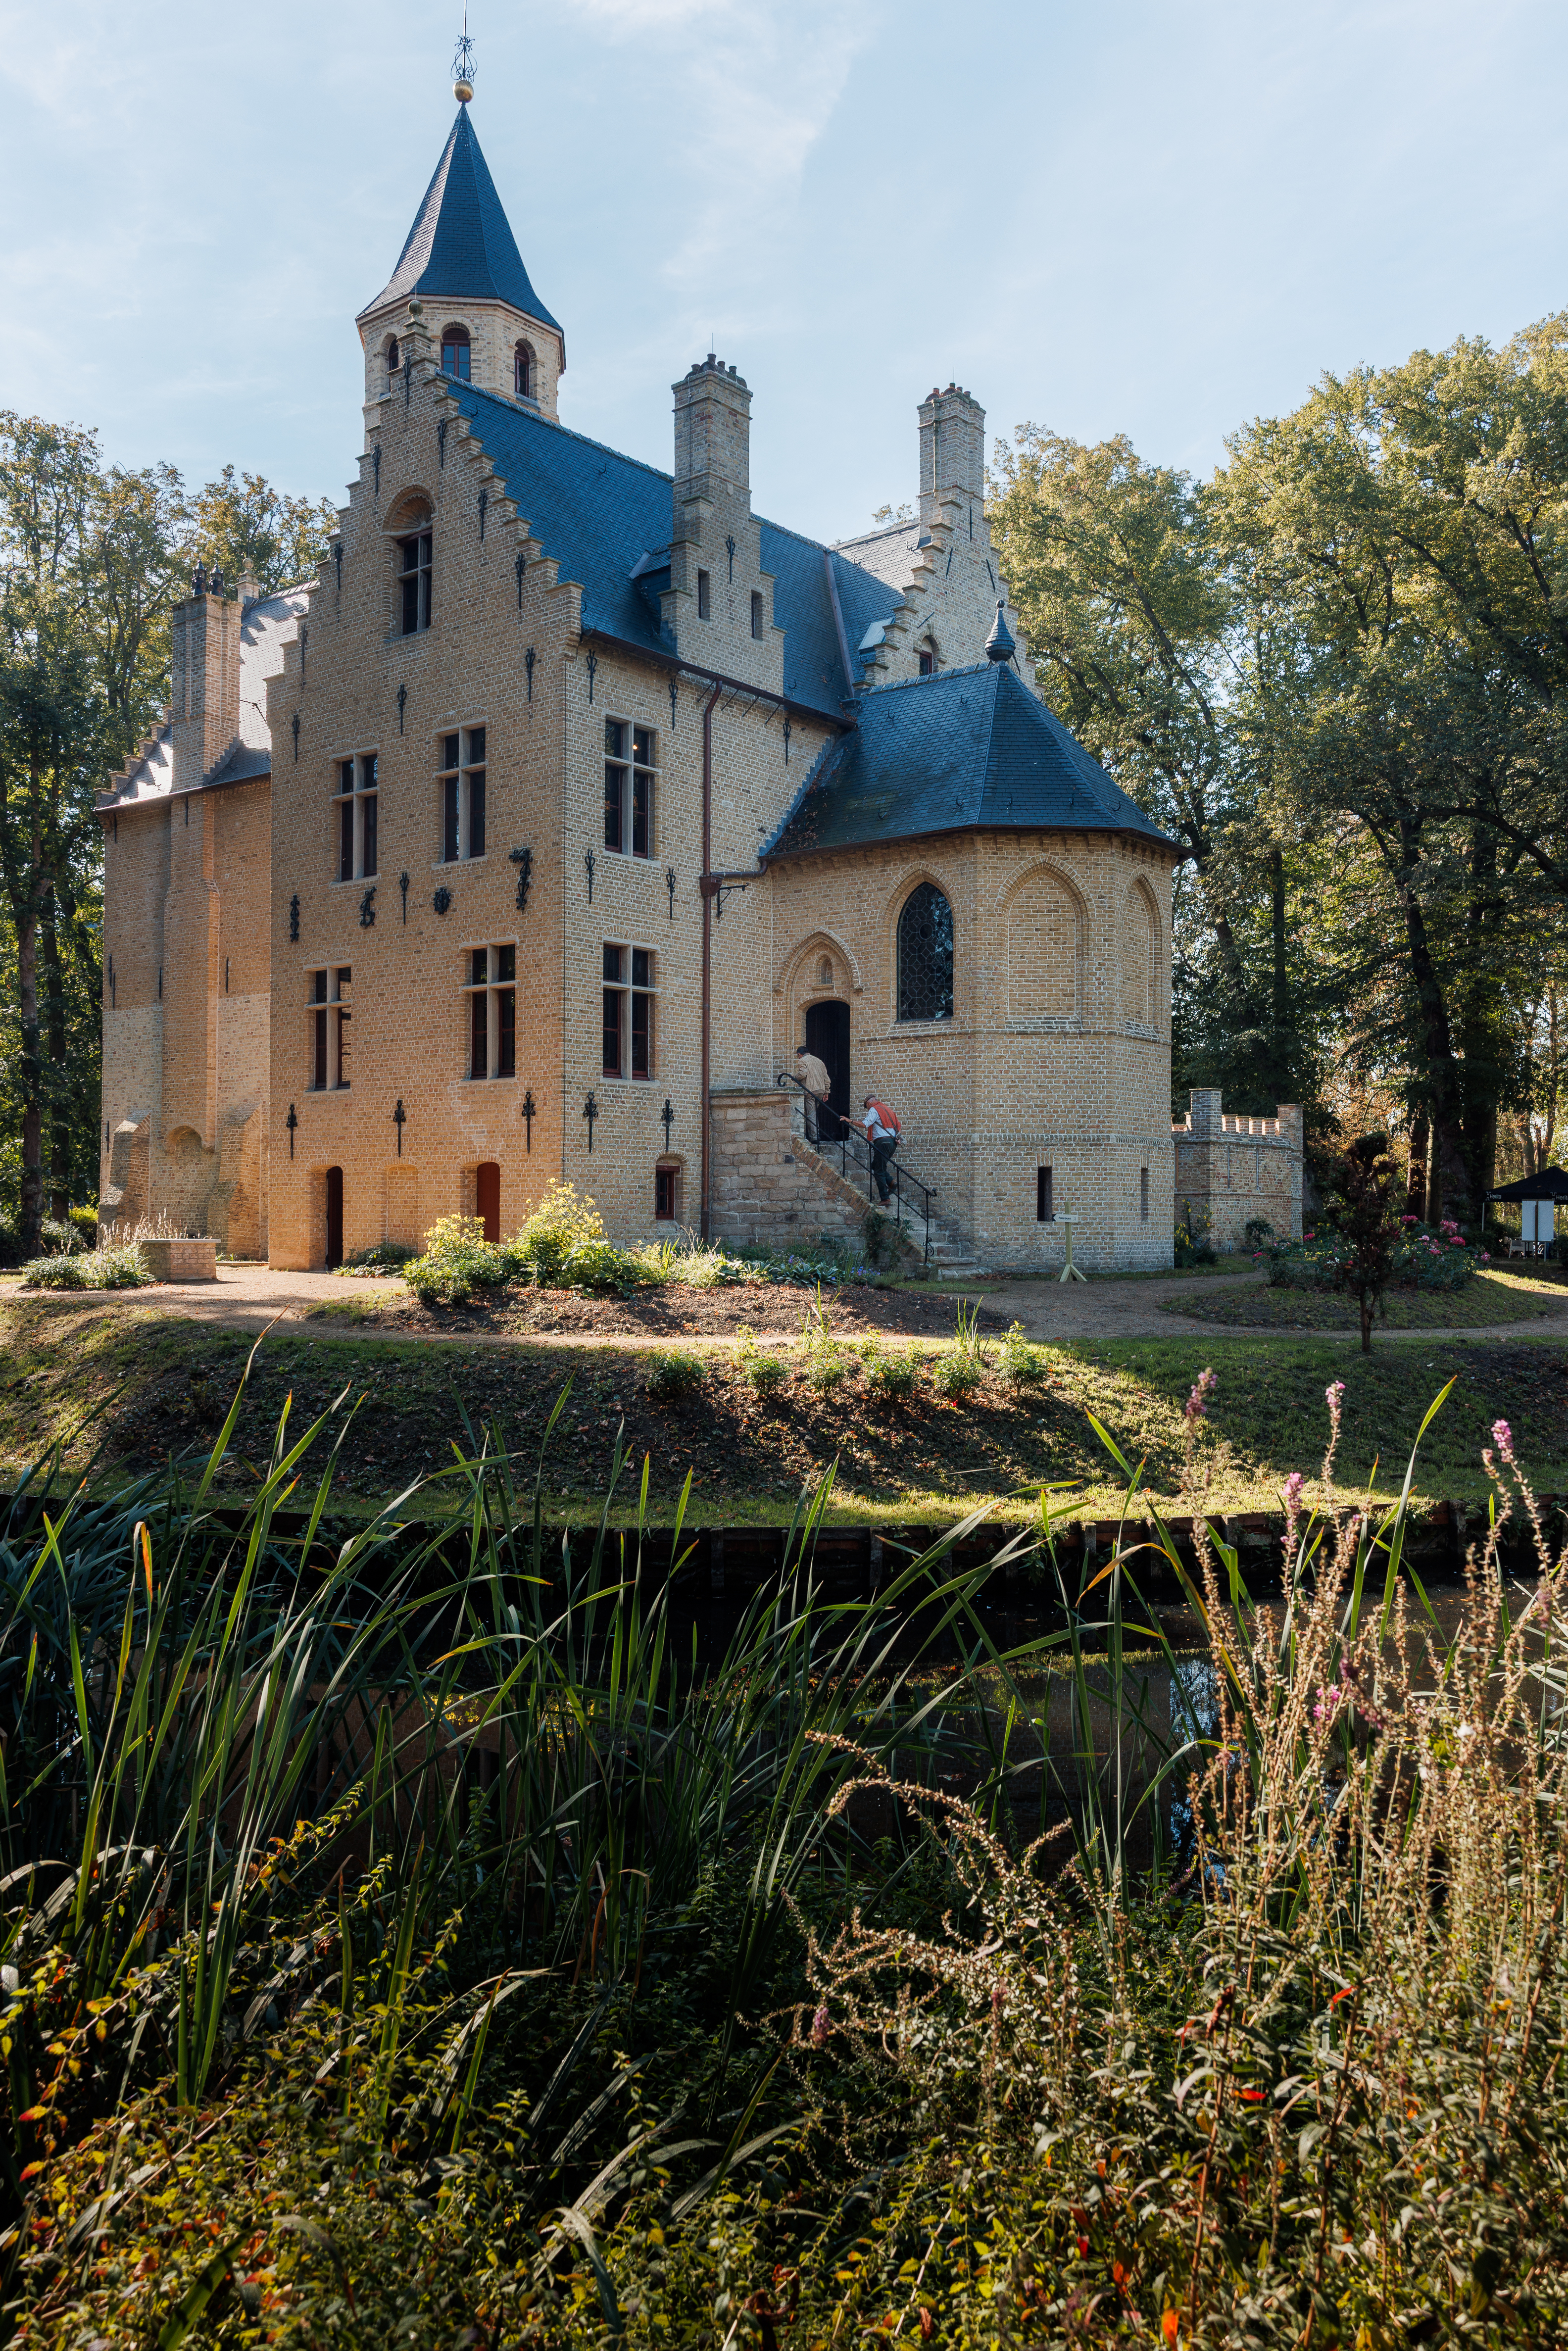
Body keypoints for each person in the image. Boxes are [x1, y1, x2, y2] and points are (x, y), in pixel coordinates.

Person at [857, 1093, 900, 1205]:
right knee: (876, 1165)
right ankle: (891, 1181)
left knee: (879, 1171)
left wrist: (850, 1121)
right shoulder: (887, 1109)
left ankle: (885, 1199)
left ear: (869, 1103)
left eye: (866, 1106)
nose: (867, 1109)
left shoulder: (874, 1110)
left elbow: (865, 1124)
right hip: (892, 1143)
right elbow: (897, 1126)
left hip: (882, 1142)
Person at [795, 1043, 832, 1144]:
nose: (798, 1058)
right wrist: (826, 1092)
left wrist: (795, 1077)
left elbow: (802, 1074)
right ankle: (816, 1134)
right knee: (814, 1113)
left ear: (800, 1054)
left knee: (811, 1114)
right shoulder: (819, 1061)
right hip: (820, 1091)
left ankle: (815, 1138)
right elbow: (827, 1079)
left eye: (797, 1056)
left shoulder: (802, 1060)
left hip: (810, 1091)